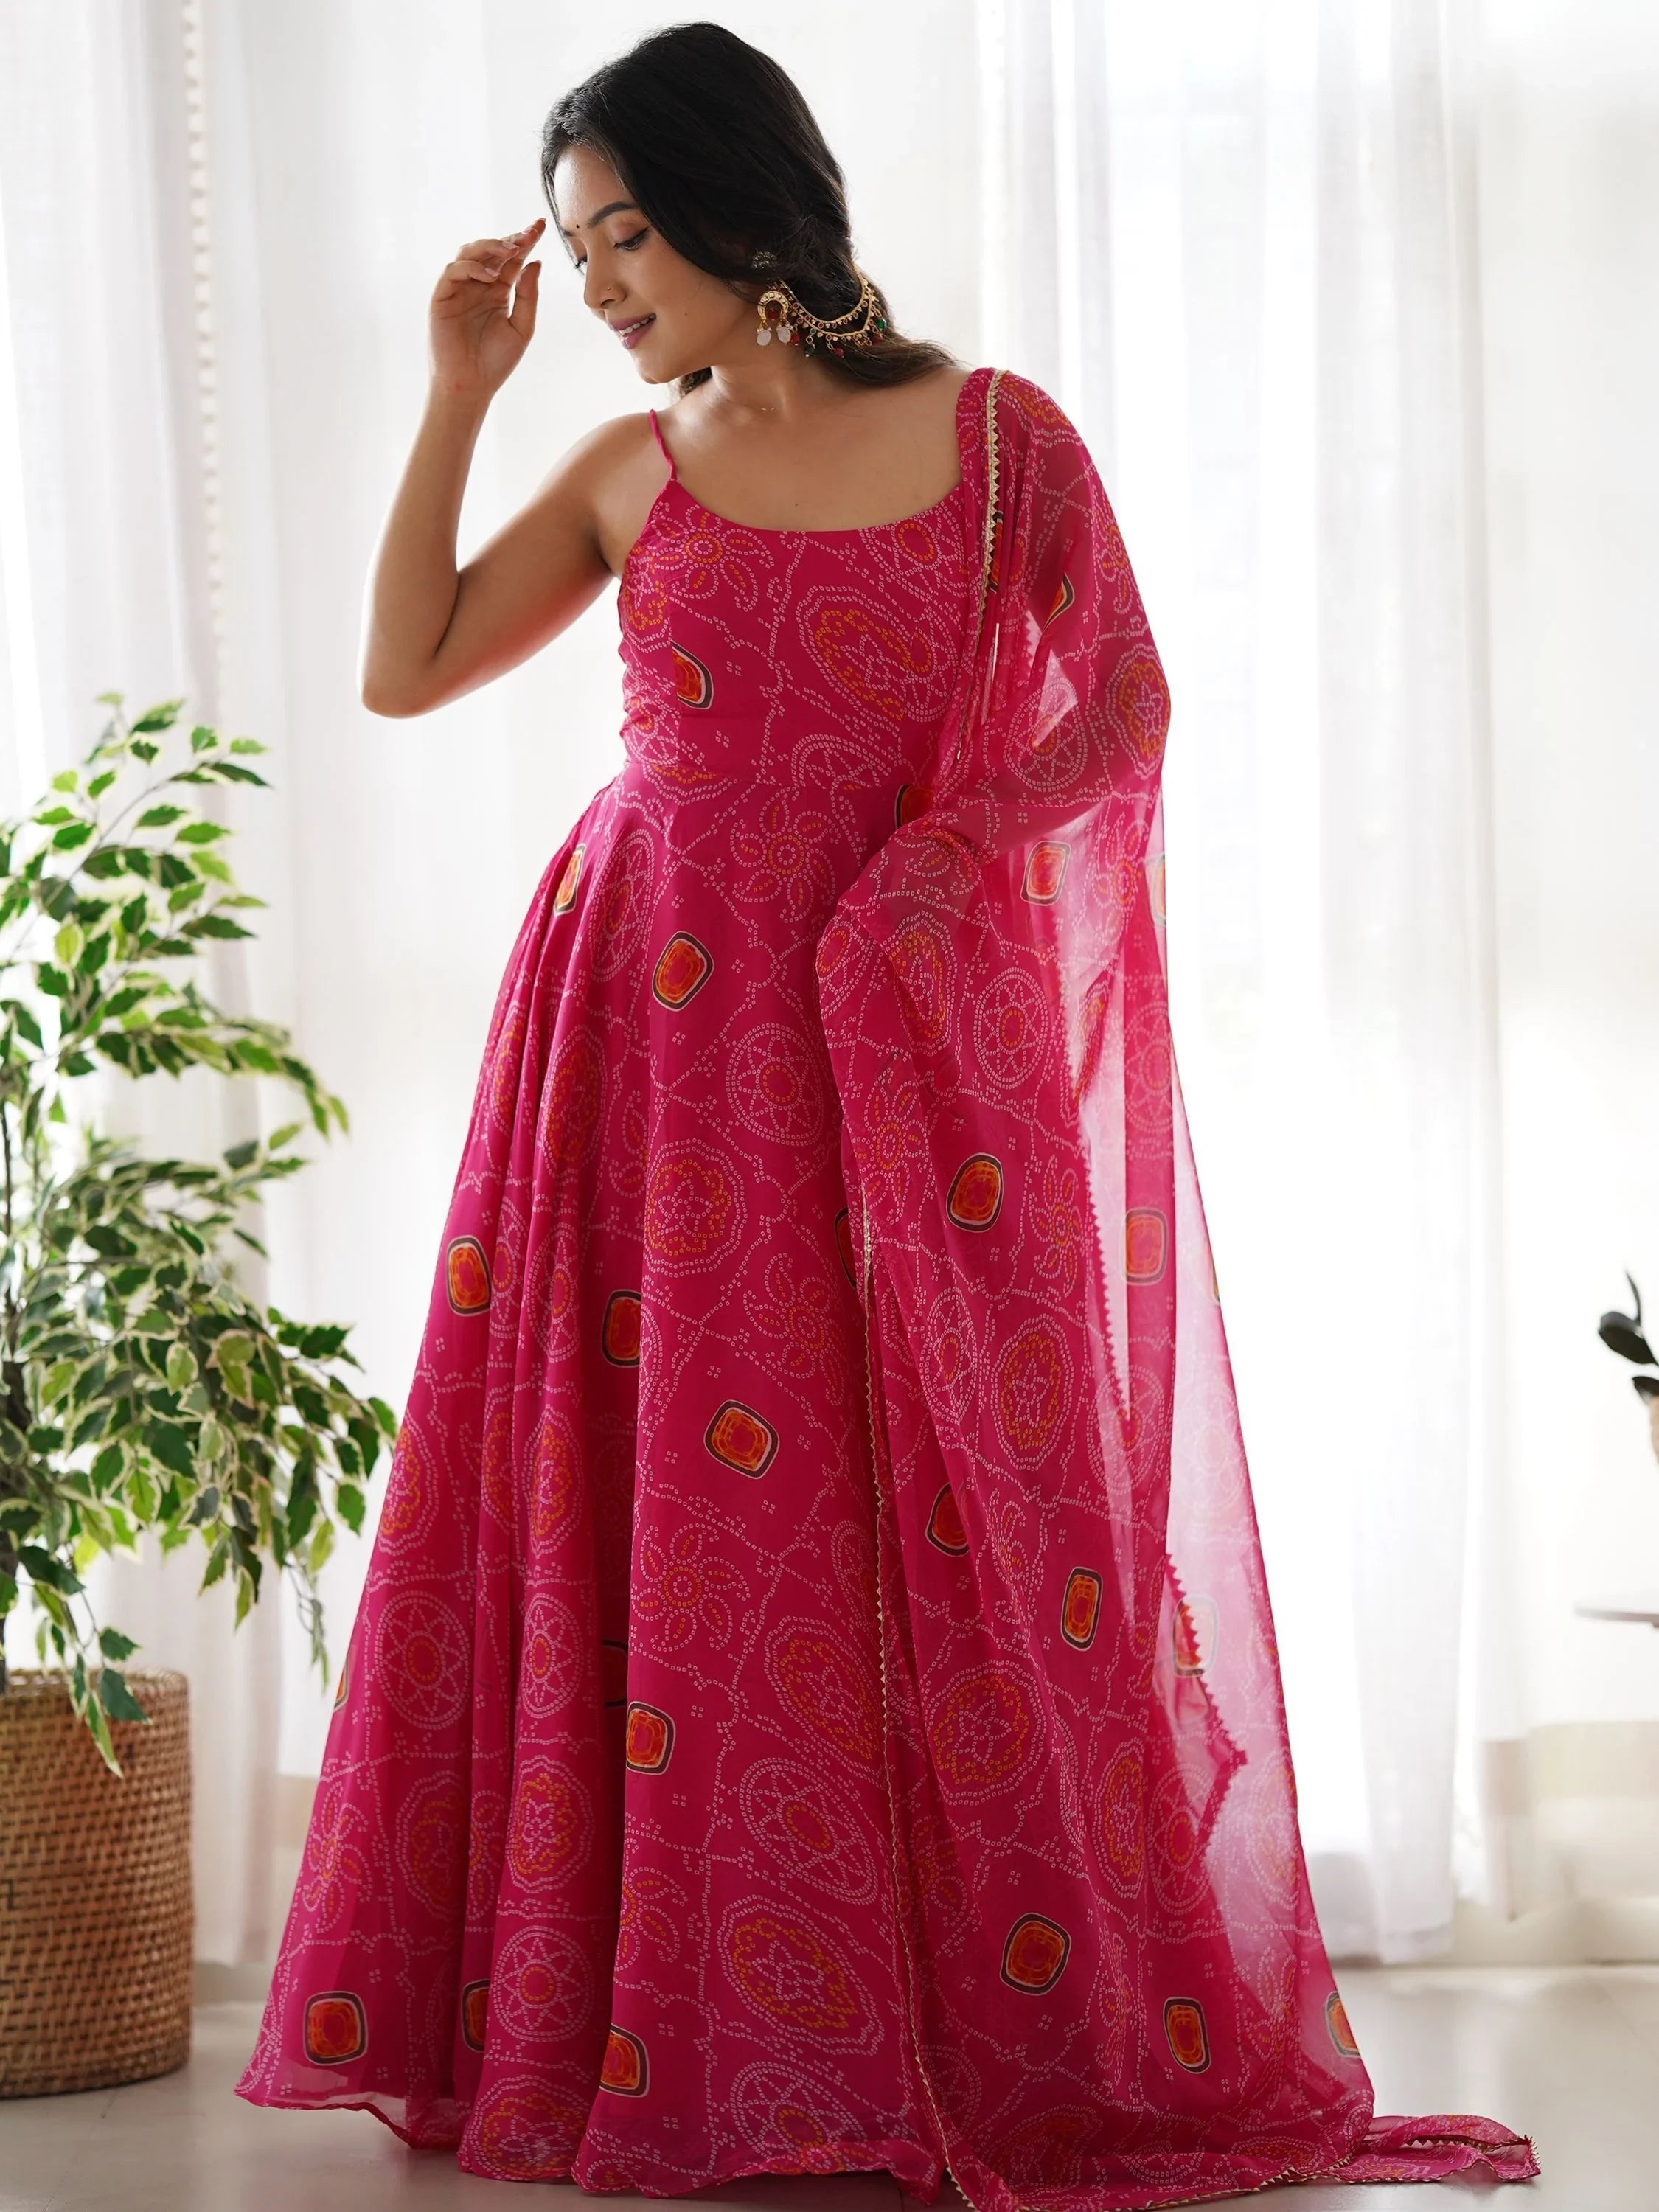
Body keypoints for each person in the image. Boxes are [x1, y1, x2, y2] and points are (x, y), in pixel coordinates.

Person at [237, 21, 1538, 2205]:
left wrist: (948, 858)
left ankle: (964, 2014)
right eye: (580, 247)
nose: (603, 285)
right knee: (678, 1501)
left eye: (624, 237)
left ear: (739, 205)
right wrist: (457, 391)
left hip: (910, 1039)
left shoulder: (998, 442)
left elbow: (1124, 705)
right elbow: (409, 662)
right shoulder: (630, 465)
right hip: (648, 1030)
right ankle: (692, 2018)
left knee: (953, 1500)